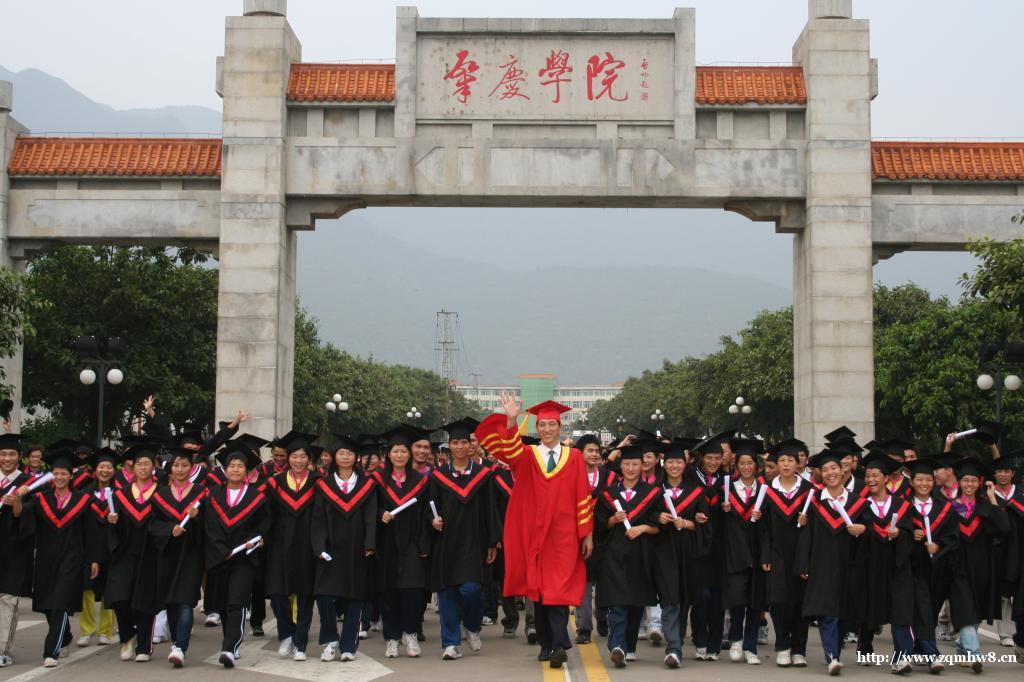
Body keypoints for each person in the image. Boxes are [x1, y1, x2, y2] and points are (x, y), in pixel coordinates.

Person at [474, 396, 594, 669]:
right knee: (538, 592)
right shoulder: (528, 456)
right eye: (542, 424)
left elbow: (583, 496)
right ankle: (546, 643)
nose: (548, 429)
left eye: (552, 424)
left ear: (560, 427)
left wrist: (586, 533)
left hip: (563, 536)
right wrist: (511, 419)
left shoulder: (574, 457)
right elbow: (509, 449)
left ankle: (559, 643)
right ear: (537, 428)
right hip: (534, 534)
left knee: (559, 591)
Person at [9, 446, 100, 668]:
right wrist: (18, 500)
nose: (60, 477)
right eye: (56, 473)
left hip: (72, 557)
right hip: (46, 558)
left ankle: (52, 652)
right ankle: (66, 634)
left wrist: (93, 559)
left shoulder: (83, 501)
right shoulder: (41, 499)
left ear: (71, 476)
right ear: (52, 475)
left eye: (64, 474)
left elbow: (91, 533)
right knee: (48, 605)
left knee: (60, 602)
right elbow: (22, 517)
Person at [429, 418, 499, 660]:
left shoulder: (483, 475)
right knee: (447, 592)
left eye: (463, 442)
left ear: (470, 445)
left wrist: (493, 541)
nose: (459, 447)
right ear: (450, 445)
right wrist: (432, 520)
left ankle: (471, 625)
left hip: (474, 542)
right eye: (455, 442)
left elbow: (491, 509)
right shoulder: (438, 476)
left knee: (471, 591)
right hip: (446, 542)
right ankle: (450, 643)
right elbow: (430, 507)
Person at [797, 448, 869, 675]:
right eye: (825, 469)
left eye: (834, 468)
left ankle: (835, 651)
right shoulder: (815, 503)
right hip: (822, 564)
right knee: (827, 612)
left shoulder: (858, 503)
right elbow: (805, 536)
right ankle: (832, 656)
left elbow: (873, 533)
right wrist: (803, 564)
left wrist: (864, 529)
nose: (830, 473)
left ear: (843, 470)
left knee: (844, 614)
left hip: (849, 565)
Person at [204, 439, 272, 668]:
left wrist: (251, 542)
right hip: (219, 557)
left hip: (244, 558)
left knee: (236, 602)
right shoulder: (213, 496)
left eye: (240, 466)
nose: (235, 469)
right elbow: (210, 526)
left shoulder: (256, 497)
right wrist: (221, 549)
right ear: (225, 469)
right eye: (231, 466)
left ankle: (230, 648)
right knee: (222, 604)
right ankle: (229, 640)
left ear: (247, 471)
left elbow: (263, 525)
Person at [594, 444, 662, 667]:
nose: (631, 468)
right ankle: (617, 646)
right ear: (620, 467)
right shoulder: (608, 493)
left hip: (641, 554)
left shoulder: (653, 493)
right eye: (626, 464)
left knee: (635, 603)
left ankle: (629, 646)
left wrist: (642, 528)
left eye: (635, 464)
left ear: (643, 466)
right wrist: (613, 519)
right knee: (618, 603)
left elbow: (659, 526)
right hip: (614, 554)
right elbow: (600, 525)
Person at [312, 435, 378, 662]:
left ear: (356, 457)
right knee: (324, 597)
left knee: (354, 598)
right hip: (330, 549)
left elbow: (371, 517)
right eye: (341, 453)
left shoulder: (367, 486)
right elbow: (318, 518)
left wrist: (370, 543)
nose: (346, 457)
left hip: (356, 548)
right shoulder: (324, 486)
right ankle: (330, 639)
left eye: (350, 453)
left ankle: (349, 645)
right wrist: (318, 545)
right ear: (334, 457)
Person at [848, 451, 915, 674]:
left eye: (875, 475)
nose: (870, 480)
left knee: (900, 609)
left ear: (886, 478)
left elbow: (908, 531)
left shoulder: (902, 505)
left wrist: (900, 535)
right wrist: (863, 532)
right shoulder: (860, 504)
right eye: (867, 476)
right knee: (868, 606)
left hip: (896, 564)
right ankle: (865, 647)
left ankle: (902, 656)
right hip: (869, 563)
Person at [372, 425, 432, 659]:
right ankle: (391, 638)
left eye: (404, 451)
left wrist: (424, 544)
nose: (400, 455)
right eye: (396, 451)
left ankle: (410, 633)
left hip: (412, 543)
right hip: (386, 543)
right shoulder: (377, 480)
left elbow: (428, 513)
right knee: (388, 593)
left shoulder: (421, 481)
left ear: (410, 455)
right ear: (389, 454)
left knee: (412, 592)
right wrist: (380, 514)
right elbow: (370, 508)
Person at [104, 436, 164, 662]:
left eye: (146, 464)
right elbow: (113, 528)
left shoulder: (161, 493)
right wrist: (112, 521)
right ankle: (128, 636)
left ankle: (143, 647)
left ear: (153, 467)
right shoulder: (121, 494)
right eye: (138, 464)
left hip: (150, 553)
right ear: (132, 467)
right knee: (119, 597)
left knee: (145, 601)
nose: (142, 467)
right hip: (125, 552)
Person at [653, 440, 711, 668]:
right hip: (664, 551)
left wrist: (688, 522)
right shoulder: (656, 492)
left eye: (678, 461)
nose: (674, 466)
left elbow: (705, 523)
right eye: (670, 462)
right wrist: (658, 517)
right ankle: (674, 648)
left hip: (688, 552)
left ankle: (676, 638)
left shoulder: (696, 492)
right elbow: (647, 516)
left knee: (684, 599)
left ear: (685, 463)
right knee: (669, 600)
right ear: (664, 464)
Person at [948, 457, 1010, 669]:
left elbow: (1004, 528)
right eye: (966, 480)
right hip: (958, 567)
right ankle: (974, 654)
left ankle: (961, 645)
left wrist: (993, 497)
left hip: (983, 566)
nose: (969, 485)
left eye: (974, 481)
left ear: (980, 482)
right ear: (959, 482)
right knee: (966, 608)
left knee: (975, 611)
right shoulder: (951, 508)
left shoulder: (985, 506)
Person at [264, 431, 319, 661]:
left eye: (302, 456)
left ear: (309, 459)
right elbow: (265, 513)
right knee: (277, 593)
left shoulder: (318, 482)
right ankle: (286, 633)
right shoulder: (275, 483)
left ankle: (300, 642)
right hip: (279, 544)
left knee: (305, 593)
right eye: (294, 456)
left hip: (307, 544)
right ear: (288, 459)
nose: (298, 460)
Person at [149, 447, 206, 667]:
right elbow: (152, 524)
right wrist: (168, 529)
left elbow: (210, 526)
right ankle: (177, 642)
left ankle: (180, 646)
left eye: (184, 465)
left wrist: (198, 517)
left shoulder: (201, 492)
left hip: (191, 554)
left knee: (184, 602)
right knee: (171, 602)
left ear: (191, 468)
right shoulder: (160, 495)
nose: (180, 469)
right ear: (170, 469)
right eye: (176, 465)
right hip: (167, 553)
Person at [760, 438, 815, 668]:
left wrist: (808, 519)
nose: (785, 464)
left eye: (790, 460)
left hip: (801, 554)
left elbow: (818, 527)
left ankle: (799, 649)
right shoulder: (767, 491)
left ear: (798, 463)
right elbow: (763, 528)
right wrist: (765, 556)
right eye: (781, 460)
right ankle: (782, 645)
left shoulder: (809, 491)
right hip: (776, 553)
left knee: (801, 603)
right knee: (780, 602)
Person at [721, 438, 768, 665]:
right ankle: (736, 640)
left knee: (755, 601)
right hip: (735, 554)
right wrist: (724, 512)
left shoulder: (765, 491)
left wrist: (762, 517)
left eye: (750, 463)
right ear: (736, 466)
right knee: (737, 599)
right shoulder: (728, 489)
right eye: (742, 463)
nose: (746, 467)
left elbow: (770, 529)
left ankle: (750, 647)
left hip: (758, 554)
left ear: (756, 466)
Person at [686, 431, 731, 661]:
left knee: (717, 597)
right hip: (696, 546)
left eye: (717, 458)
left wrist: (727, 510)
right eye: (709, 458)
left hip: (720, 547)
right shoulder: (691, 478)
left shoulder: (726, 481)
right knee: (701, 596)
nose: (713, 462)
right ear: (701, 458)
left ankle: (714, 644)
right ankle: (700, 640)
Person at [0, 431, 35, 667]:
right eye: (2, 454)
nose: (7, 458)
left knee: (7, 599)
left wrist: (17, 504)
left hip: (13, 548)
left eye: (12, 454)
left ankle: (3, 649)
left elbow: (28, 519)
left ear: (20, 457)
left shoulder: (28, 483)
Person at [575, 433, 614, 645]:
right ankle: (583, 627)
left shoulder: (608, 477)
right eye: (590, 450)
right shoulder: (571, 476)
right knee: (583, 583)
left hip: (604, 536)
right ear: (579, 454)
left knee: (602, 582)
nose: (594, 454)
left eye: (597, 451)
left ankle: (602, 616)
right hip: (578, 536)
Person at [78, 447, 118, 647]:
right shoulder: (85, 494)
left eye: (109, 467)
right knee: (87, 590)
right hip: (89, 547)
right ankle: (86, 630)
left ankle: (106, 631)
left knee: (108, 591)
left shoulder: (120, 494)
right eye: (101, 466)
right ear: (95, 470)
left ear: (113, 470)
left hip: (111, 548)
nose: (105, 470)